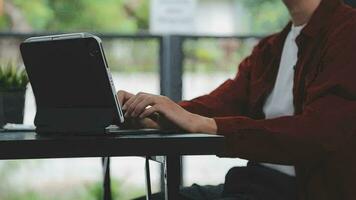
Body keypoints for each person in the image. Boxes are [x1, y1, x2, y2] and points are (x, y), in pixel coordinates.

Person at [118, 0, 356, 199]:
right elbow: (217, 106)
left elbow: (317, 134)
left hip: (307, 191)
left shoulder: (347, 32)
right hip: (253, 184)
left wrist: (202, 124)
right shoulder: (271, 48)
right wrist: (154, 115)